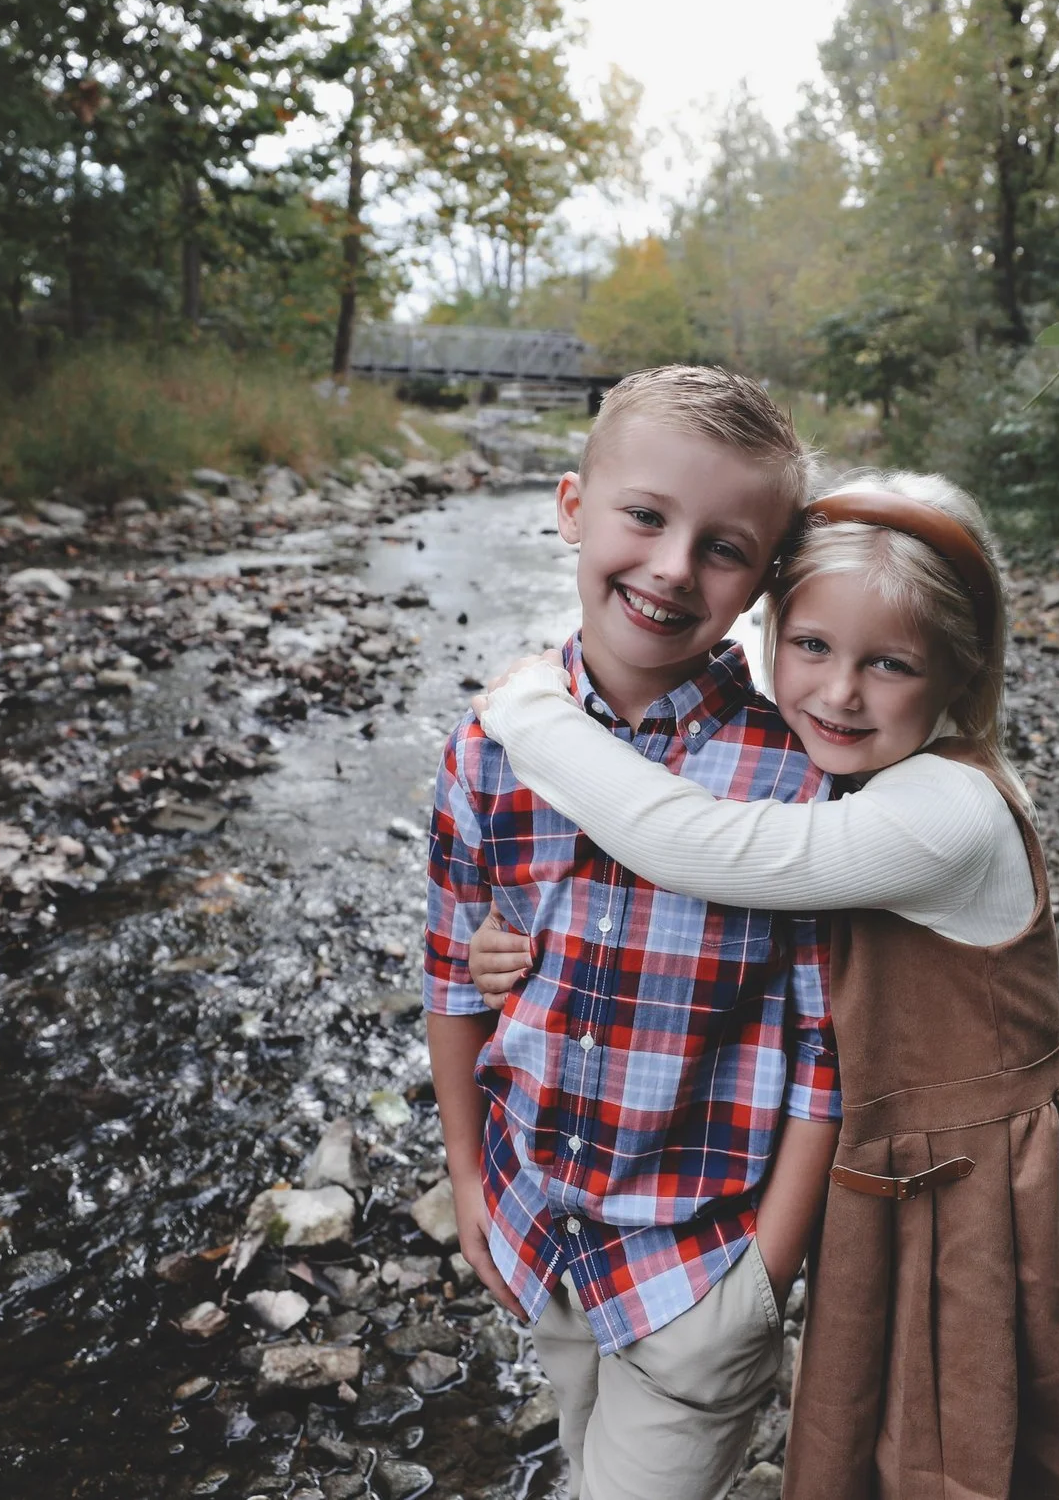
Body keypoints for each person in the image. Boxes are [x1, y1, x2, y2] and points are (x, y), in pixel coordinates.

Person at [466, 471, 1059, 1498]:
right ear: (767, 633)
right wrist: (519, 934)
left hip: (969, 1187)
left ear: (959, 674)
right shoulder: (864, 766)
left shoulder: (945, 810)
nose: (836, 693)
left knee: (963, 1434)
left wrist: (531, 709)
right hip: (894, 1168)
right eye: (812, 646)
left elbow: (706, 847)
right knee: (872, 1427)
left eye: (889, 663)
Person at [420, 364, 842, 1500]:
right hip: (536, 1223)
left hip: (696, 1258)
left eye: (722, 546)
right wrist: (467, 1173)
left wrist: (767, 1268)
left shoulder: (794, 779)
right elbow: (454, 975)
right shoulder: (491, 744)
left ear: (761, 581)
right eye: (645, 516)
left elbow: (825, 1049)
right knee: (575, 1443)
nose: (670, 566)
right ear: (570, 509)